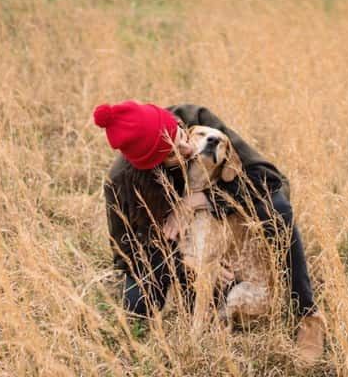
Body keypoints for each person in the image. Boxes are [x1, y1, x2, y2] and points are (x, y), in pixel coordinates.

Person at [94, 101, 326, 363]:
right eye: (172, 154)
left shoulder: (196, 120)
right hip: (178, 251)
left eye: (181, 136)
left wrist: (200, 200)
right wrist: (188, 265)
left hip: (224, 215)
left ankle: (308, 313)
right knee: (137, 302)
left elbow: (271, 180)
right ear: (151, 167)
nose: (188, 148)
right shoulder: (120, 183)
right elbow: (125, 255)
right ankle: (212, 291)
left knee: (277, 209)